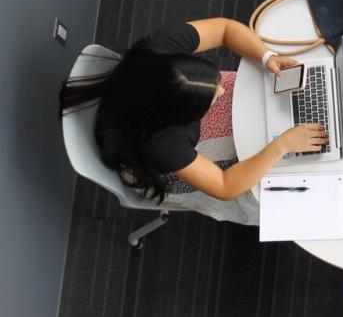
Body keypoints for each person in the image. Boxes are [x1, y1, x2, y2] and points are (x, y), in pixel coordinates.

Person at [59, 18, 327, 225]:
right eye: (210, 98)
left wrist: (268, 56)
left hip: (141, 108)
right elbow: (225, 186)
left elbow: (224, 29)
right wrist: (281, 146)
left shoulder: (159, 46)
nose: (222, 92)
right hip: (157, 166)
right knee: (265, 193)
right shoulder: (164, 144)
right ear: (182, 114)